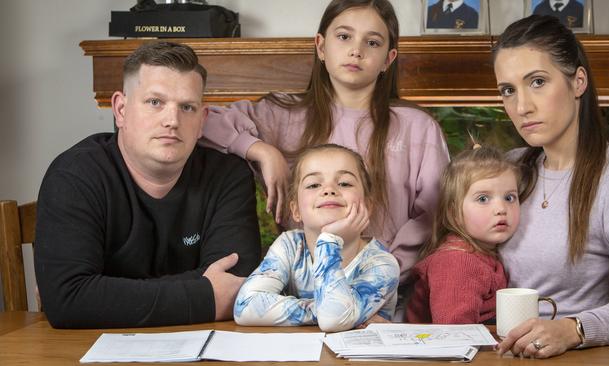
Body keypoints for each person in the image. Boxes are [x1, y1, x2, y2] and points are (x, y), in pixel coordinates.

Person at [200, 0, 450, 290]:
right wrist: (261, 150)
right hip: (302, 292)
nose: (356, 50)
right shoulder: (280, 114)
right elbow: (196, 122)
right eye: (344, 37)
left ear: (388, 58)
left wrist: (381, 273)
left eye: (372, 42)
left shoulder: (417, 126)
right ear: (321, 46)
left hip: (385, 290)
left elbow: (434, 215)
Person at [34, 41, 261, 328]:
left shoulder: (228, 176)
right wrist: (202, 294)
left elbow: (235, 286)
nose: (172, 120)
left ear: (202, 120)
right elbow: (68, 301)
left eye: (187, 107)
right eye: (155, 102)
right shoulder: (75, 176)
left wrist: (104, 293)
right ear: (120, 109)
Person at [492, 15, 609, 358]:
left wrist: (573, 328)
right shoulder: (510, 170)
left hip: (581, 357)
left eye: (537, 82)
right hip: (500, 354)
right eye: (508, 90)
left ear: (578, 82)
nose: (521, 107)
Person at [234, 144, 400, 332]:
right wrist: (319, 309)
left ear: (368, 206)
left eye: (344, 183)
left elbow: (333, 321)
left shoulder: (382, 264)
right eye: (314, 185)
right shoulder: (290, 246)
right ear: (296, 210)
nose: (329, 190)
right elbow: (245, 306)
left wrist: (329, 240)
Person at [406, 145, 519, 324]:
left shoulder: (482, 252)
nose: (501, 209)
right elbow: (455, 334)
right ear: (454, 213)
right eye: (483, 199)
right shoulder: (458, 261)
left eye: (509, 198)